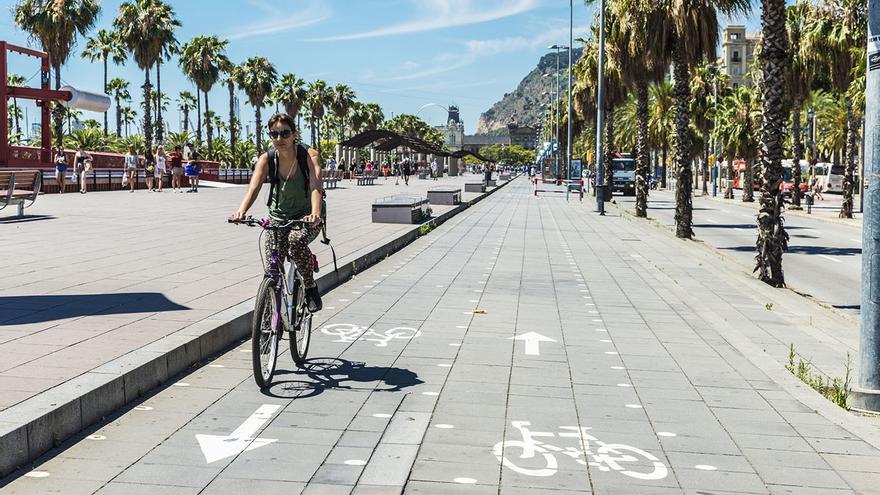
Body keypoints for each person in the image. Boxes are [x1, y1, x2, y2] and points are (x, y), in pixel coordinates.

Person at [230, 113, 324, 312]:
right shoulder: (267, 159)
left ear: (294, 134)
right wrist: (241, 211)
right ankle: (270, 309)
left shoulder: (308, 155)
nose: (279, 139)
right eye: (274, 134)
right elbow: (253, 188)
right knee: (272, 267)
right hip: (278, 217)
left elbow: (316, 185)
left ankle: (310, 287)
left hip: (306, 217)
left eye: (285, 133)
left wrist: (315, 214)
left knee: (296, 241)